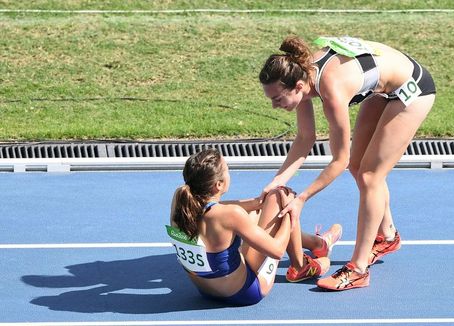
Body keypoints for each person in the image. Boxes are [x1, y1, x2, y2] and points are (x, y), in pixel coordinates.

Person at [259, 35, 436, 291]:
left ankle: (358, 269)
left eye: (277, 99)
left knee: (369, 176)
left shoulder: (331, 89)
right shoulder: (302, 76)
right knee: (359, 166)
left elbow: (339, 160)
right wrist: (278, 180)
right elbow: (305, 138)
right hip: (383, 89)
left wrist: (302, 198)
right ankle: (387, 236)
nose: (275, 106)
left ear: (298, 87)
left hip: (413, 89)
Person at [167, 148, 342, 305]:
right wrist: (289, 212)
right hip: (246, 292)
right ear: (218, 184)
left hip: (206, 291)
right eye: (227, 170)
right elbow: (277, 251)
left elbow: (215, 209)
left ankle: (317, 244)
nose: (229, 173)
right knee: (279, 195)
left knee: (255, 213)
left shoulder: (181, 199)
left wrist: (255, 203)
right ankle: (301, 266)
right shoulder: (231, 215)